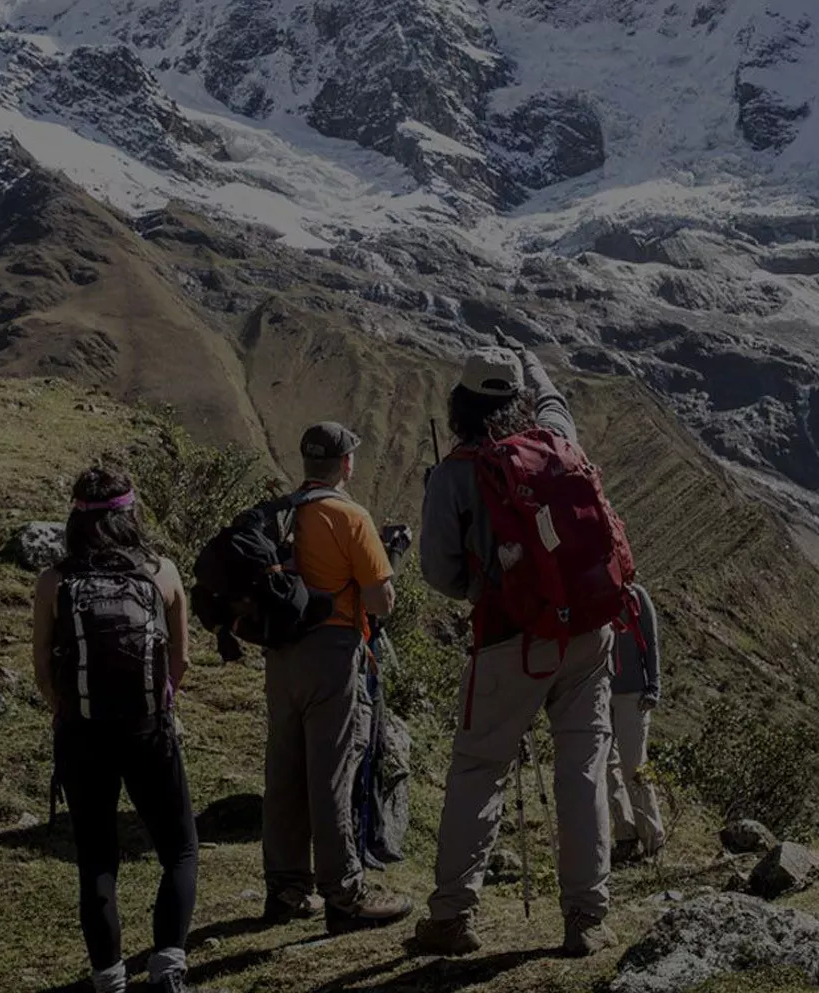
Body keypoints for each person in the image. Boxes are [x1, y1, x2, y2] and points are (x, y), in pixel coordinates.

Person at [411, 342, 617, 958]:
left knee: (479, 769)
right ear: (521, 399)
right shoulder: (555, 437)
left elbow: (438, 573)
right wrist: (530, 359)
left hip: (508, 641)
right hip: (585, 633)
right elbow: (552, 398)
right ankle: (585, 916)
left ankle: (452, 916)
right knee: (582, 766)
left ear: (460, 406)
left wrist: (485, 582)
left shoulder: (452, 474)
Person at [31, 467, 199, 993]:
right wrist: (157, 703)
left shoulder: (54, 582)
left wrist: (71, 709)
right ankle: (168, 966)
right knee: (179, 850)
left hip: (82, 733)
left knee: (97, 858)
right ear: (132, 516)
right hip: (148, 730)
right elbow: (182, 662)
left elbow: (42, 668)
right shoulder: (162, 573)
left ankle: (109, 979)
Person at [260, 422, 413, 934]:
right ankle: (344, 896)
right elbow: (379, 600)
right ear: (347, 464)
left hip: (281, 656)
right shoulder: (350, 516)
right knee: (332, 774)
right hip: (333, 650)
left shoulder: (282, 514)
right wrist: (388, 563)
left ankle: (285, 888)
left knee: (284, 770)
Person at [608, 583, 664, 864]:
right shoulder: (590, 593)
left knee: (635, 766)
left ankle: (654, 839)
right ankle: (626, 836)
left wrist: (653, 687)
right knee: (608, 769)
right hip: (601, 694)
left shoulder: (636, 595)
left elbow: (651, 642)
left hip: (634, 695)